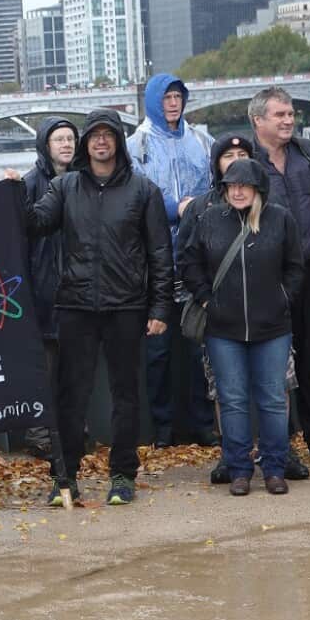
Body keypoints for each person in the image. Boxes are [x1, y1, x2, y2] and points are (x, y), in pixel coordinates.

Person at [28, 109, 173, 507]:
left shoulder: (144, 191)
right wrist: (12, 195)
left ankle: (122, 475)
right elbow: (36, 224)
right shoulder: (65, 186)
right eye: (94, 136)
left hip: (126, 305)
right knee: (70, 396)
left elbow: (161, 254)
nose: (101, 142)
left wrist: (159, 308)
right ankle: (64, 477)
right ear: (85, 143)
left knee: (126, 396)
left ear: (118, 143)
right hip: (75, 305)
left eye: (108, 135)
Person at [181, 159, 304, 496]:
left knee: (273, 400)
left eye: (243, 185)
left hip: (273, 326)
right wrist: (207, 299)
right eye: (230, 185)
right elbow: (188, 263)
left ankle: (275, 468)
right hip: (223, 328)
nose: (236, 191)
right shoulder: (209, 220)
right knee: (232, 400)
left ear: (257, 188)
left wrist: (283, 298)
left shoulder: (280, 219)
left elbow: (296, 266)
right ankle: (238, 469)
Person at [249, 87, 310, 474]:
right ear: (258, 121)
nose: (288, 120)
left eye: (290, 114)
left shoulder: (308, 155)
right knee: (272, 363)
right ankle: (277, 442)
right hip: (267, 277)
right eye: (279, 115)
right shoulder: (246, 162)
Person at [127, 74, 217, 448]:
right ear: (152, 101)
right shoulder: (136, 144)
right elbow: (133, 193)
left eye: (178, 96)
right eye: (166, 98)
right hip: (154, 261)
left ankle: (202, 425)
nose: (173, 103)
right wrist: (173, 208)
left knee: (200, 347)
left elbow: (218, 183)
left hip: (197, 254)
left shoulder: (201, 140)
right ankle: (163, 428)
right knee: (158, 352)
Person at [6, 117, 77, 460]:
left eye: (70, 138)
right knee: (44, 371)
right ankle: (39, 435)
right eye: (58, 139)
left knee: (74, 368)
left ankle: (72, 430)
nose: (66, 144)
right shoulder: (31, 184)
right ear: (45, 146)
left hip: (76, 290)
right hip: (42, 288)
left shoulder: (83, 182)